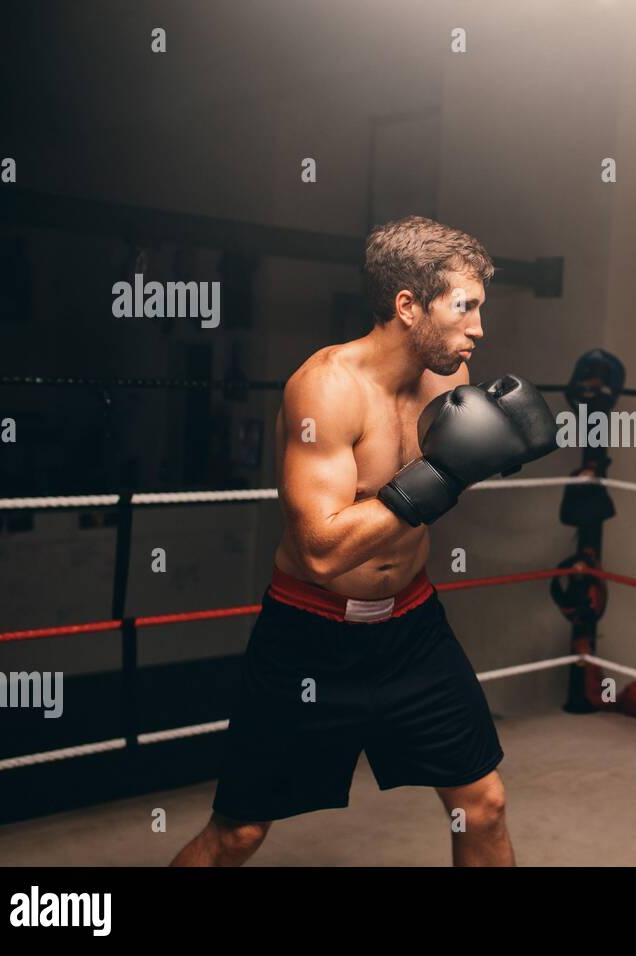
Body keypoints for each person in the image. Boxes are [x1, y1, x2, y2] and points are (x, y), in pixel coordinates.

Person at [171, 216, 555, 866]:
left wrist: (495, 454)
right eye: (465, 309)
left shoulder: (446, 384)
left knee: (483, 804)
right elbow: (320, 548)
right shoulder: (325, 388)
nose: (478, 330)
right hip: (309, 637)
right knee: (238, 833)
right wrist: (445, 471)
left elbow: (439, 491)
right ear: (408, 305)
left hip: (411, 629)